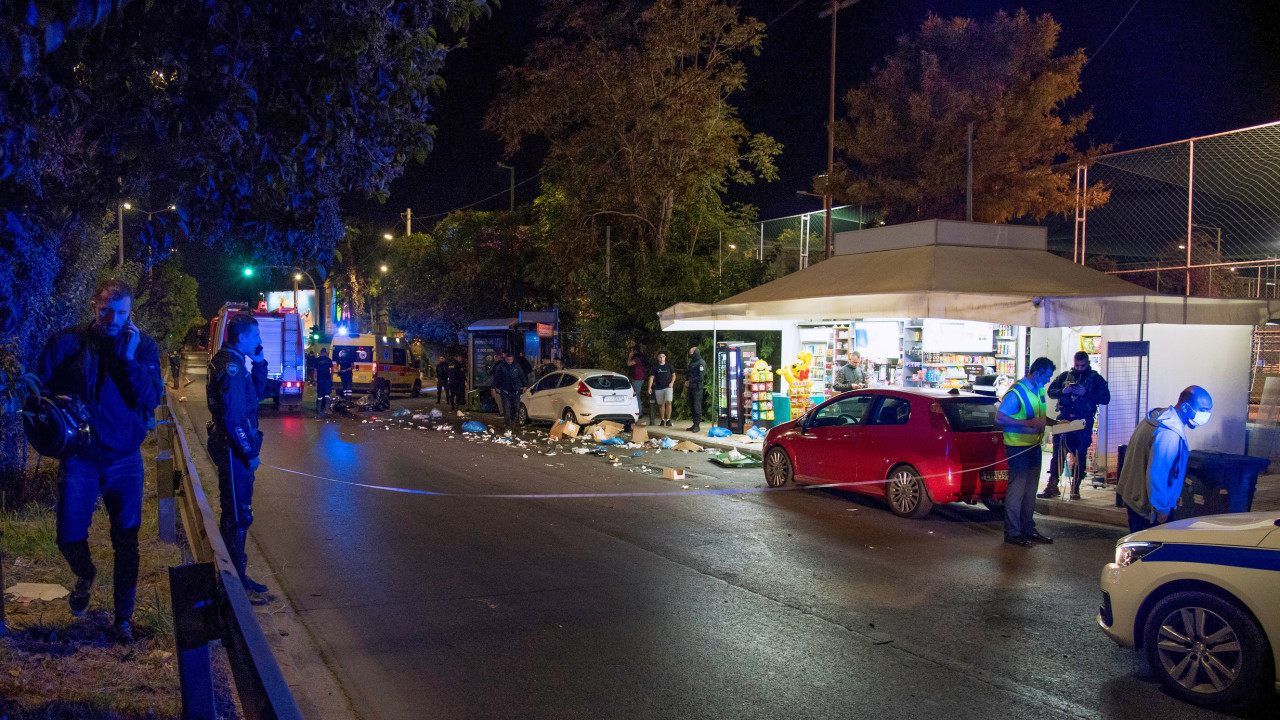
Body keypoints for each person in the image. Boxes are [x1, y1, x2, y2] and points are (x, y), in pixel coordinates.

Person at [36, 278, 164, 642]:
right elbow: (38, 395)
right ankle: (85, 573)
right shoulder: (67, 343)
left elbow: (149, 398)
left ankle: (123, 619)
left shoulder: (143, 348)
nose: (113, 319)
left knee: (127, 540)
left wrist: (127, 358)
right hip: (80, 458)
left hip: (125, 459)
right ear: (94, 305)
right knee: (68, 534)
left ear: (130, 314)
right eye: (106, 310)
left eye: (121, 313)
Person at [207, 314, 280, 604]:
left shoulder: (235, 361)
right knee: (237, 517)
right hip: (232, 449)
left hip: (234, 447)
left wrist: (260, 363)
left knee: (239, 515)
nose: (259, 341)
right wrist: (249, 453)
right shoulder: (232, 367)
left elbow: (254, 396)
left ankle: (238, 576)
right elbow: (235, 418)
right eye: (255, 337)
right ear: (241, 338)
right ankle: (232, 588)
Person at [1117, 386, 1213, 533]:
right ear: (1186, 407)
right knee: (1151, 553)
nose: (1207, 415)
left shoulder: (1155, 420)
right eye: (1203, 409)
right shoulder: (1169, 434)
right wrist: (1162, 508)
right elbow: (1157, 474)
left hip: (1135, 499)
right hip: (1149, 509)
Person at [996, 357, 1058, 548]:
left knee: (1030, 492)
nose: (1048, 380)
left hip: (1033, 447)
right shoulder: (1017, 392)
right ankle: (1013, 533)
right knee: (1017, 491)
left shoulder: (1038, 390)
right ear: (1036, 373)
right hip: (1018, 448)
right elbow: (1000, 418)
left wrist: (1055, 423)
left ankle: (1027, 529)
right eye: (1047, 376)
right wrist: (1027, 424)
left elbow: (1038, 417)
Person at [1040, 351, 1111, 500]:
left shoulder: (1096, 379)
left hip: (1083, 422)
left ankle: (1075, 487)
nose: (1079, 368)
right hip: (1064, 420)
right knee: (1058, 454)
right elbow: (1051, 392)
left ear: (1088, 363)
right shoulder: (1065, 376)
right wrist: (1063, 391)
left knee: (1079, 455)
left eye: (1082, 365)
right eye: (1077, 365)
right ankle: (1052, 485)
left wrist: (1086, 393)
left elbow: (1105, 398)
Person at [491, 351, 528, 432]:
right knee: (506, 409)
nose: (509, 361)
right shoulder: (501, 367)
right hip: (505, 392)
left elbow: (522, 376)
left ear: (513, 359)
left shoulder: (517, 366)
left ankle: (513, 420)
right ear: (505, 359)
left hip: (516, 391)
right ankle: (508, 424)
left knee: (516, 407)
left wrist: (525, 385)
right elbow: (496, 378)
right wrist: (493, 388)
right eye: (508, 359)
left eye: (511, 359)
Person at [648, 351, 675, 427]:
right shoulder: (655, 367)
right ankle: (662, 420)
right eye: (660, 357)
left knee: (669, 402)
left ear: (665, 357)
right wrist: (649, 387)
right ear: (658, 358)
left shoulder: (669, 366)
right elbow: (651, 377)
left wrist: (672, 382)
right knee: (661, 404)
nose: (662, 358)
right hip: (659, 387)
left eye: (663, 357)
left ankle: (668, 420)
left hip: (668, 387)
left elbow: (674, 375)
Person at [684, 346, 707, 433]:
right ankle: (694, 423)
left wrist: (690, 381)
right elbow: (689, 373)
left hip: (697, 387)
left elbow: (701, 377)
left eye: (691, 353)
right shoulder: (692, 362)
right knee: (692, 406)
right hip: (691, 387)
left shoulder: (701, 363)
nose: (690, 355)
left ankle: (697, 425)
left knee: (697, 406)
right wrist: (687, 381)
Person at [627, 345, 648, 418]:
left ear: (635, 351)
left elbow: (629, 363)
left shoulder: (637, 359)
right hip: (639, 378)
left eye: (632, 351)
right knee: (637, 395)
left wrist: (629, 356)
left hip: (637, 378)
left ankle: (639, 412)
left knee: (636, 395)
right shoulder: (641, 358)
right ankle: (639, 411)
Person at [313, 347, 334, 416]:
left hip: (320, 379)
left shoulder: (317, 360)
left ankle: (318, 410)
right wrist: (331, 378)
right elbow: (332, 370)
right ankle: (327, 409)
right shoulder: (328, 360)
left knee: (319, 395)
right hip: (327, 379)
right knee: (327, 395)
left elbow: (315, 371)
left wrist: (314, 380)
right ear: (325, 352)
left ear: (320, 352)